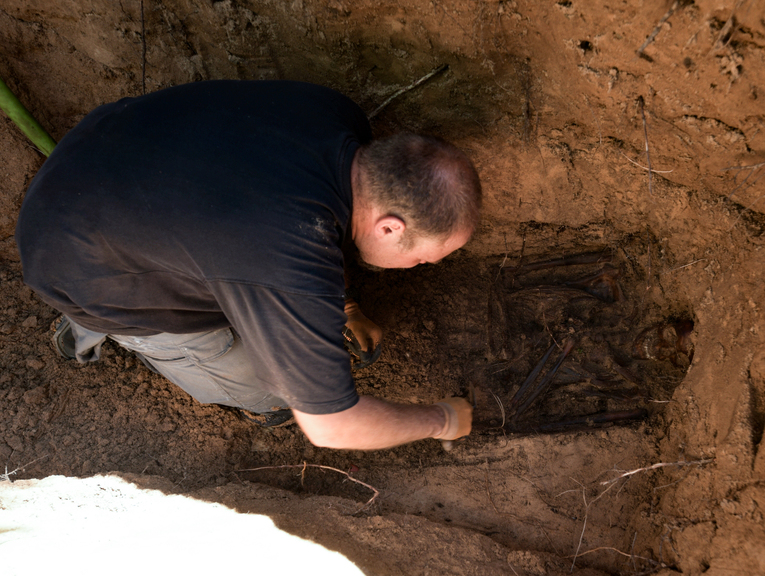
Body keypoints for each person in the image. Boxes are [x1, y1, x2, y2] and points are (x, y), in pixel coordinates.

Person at [15, 80, 477, 450]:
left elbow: (304, 220)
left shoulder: (336, 115)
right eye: (422, 258)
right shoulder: (283, 257)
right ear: (391, 227)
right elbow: (332, 427)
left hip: (91, 159)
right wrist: (443, 420)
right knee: (271, 390)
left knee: (183, 256)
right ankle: (93, 325)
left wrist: (346, 304)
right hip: (68, 258)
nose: (420, 266)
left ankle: (91, 311)